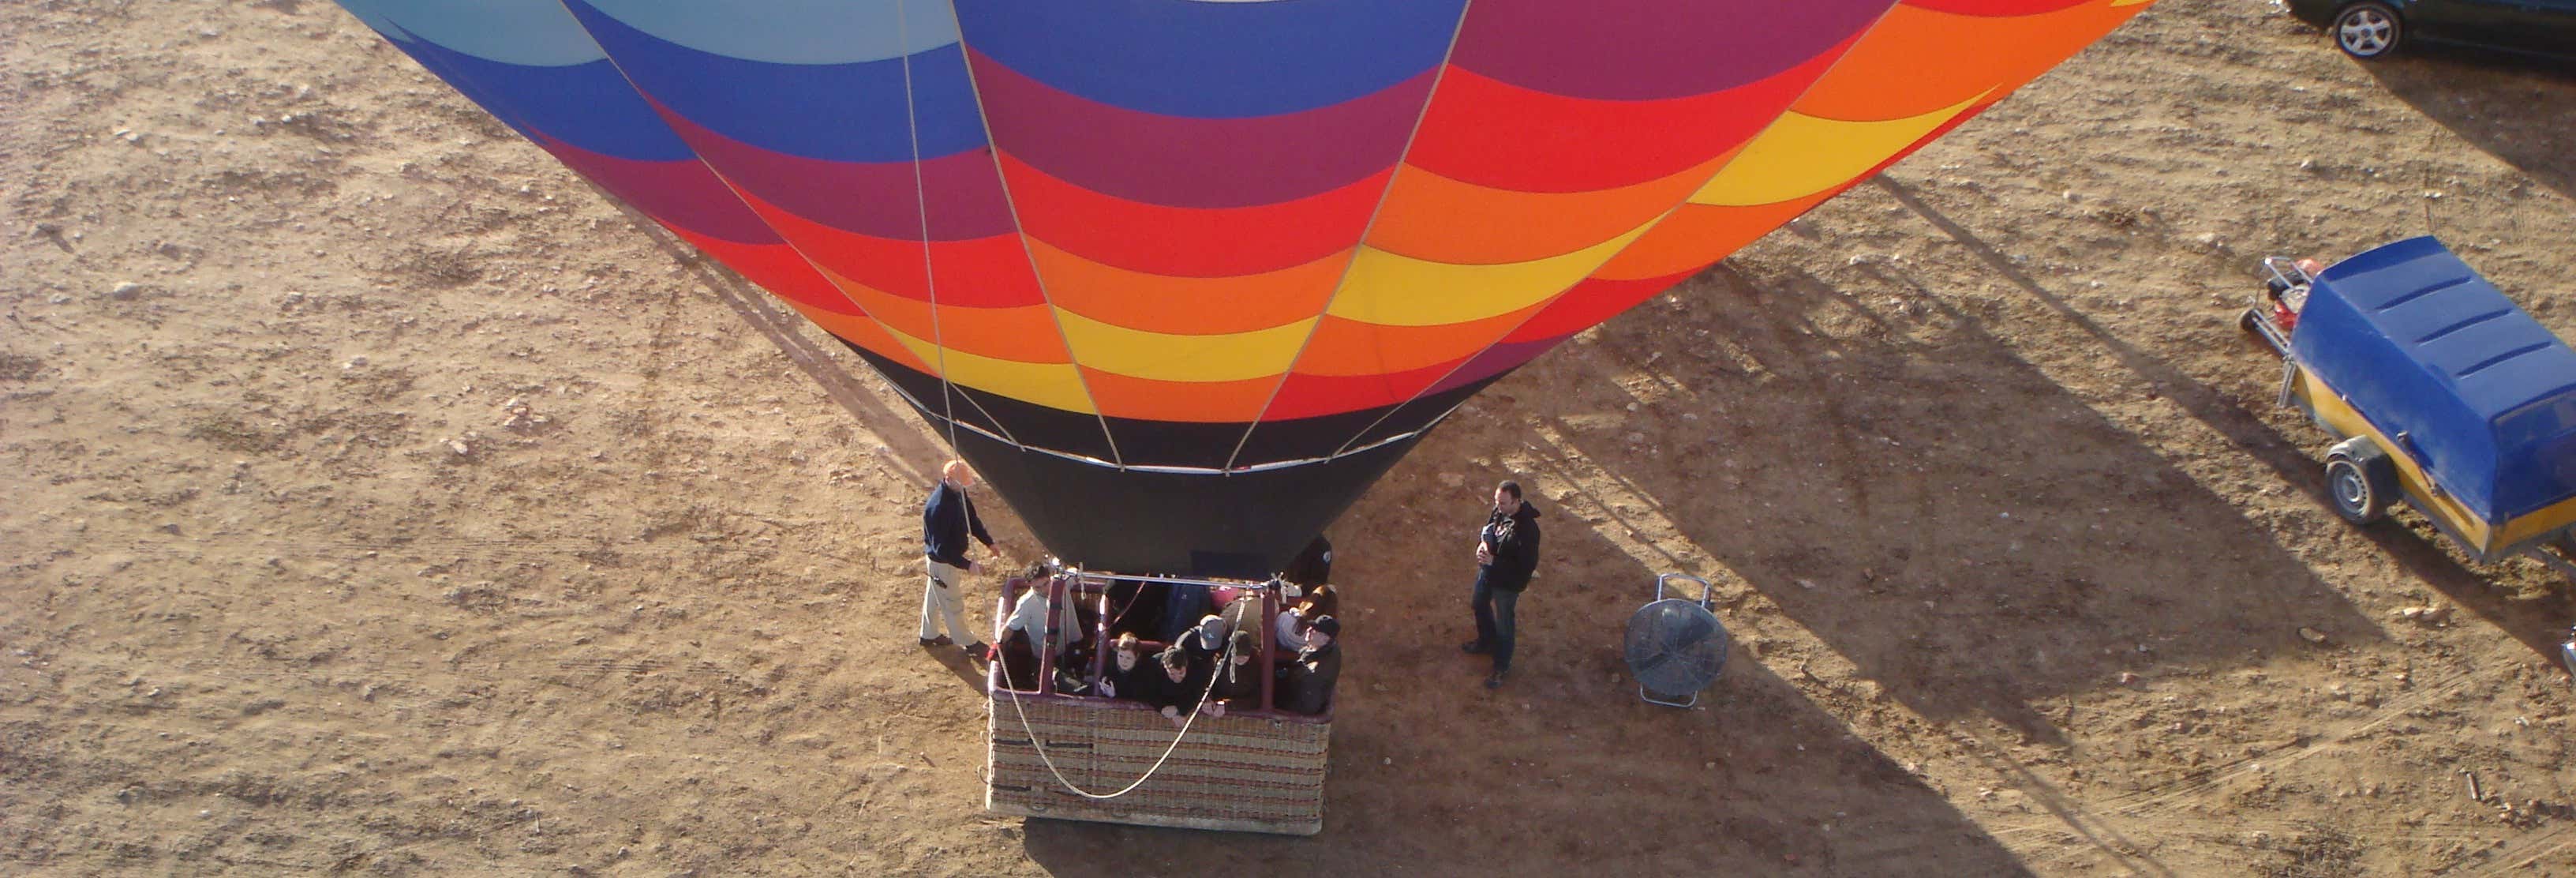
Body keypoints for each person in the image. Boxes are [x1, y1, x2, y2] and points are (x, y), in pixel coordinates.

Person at [1462, 479, 1541, 689]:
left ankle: (1501, 666)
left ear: (1517, 502)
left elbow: (1525, 566)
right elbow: (1489, 529)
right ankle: (1486, 640)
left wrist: (1494, 562)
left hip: (1508, 582)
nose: (1499, 507)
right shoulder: (1500, 511)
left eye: (1504, 503)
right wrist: (1484, 544)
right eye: (1497, 502)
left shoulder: (1529, 531)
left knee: (1505, 622)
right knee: (1479, 604)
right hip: (1489, 572)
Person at [919, 460, 1002, 655]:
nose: (964, 486)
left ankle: (928, 634)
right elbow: (940, 549)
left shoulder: (958, 493)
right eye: (960, 482)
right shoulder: (937, 508)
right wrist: (967, 565)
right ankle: (968, 642)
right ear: (948, 479)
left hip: (947, 562)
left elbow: (971, 519)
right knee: (953, 603)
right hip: (943, 563)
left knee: (935, 595)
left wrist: (988, 542)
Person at [1281, 615, 1341, 715]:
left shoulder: (1315, 675)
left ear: (1325, 638)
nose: (1308, 630)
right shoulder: (1322, 647)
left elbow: (1306, 708)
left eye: (1315, 630)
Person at [1211, 629, 1264, 711]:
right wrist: (1208, 701)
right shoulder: (1219, 660)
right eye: (1237, 655)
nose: (1241, 658)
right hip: (1216, 706)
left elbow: (1258, 697)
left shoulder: (1257, 663)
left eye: (1245, 655)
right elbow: (1207, 685)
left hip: (1240, 707)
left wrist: (1228, 705)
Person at [1098, 633, 1156, 702]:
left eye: (1128, 658)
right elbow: (1104, 674)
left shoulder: (1142, 674)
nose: (1123, 661)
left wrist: (1114, 696)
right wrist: (1103, 680)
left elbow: (1137, 701)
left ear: (1136, 657)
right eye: (1121, 656)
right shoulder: (1111, 661)